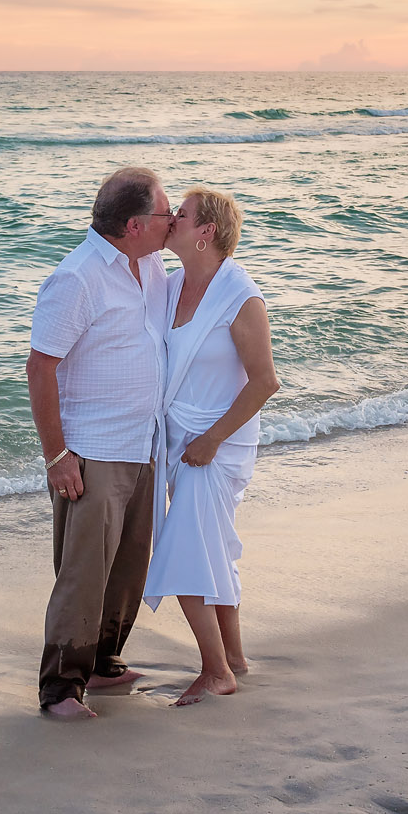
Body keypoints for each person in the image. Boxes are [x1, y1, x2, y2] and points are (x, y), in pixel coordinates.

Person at [26, 166, 177, 719]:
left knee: (130, 563)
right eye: (166, 212)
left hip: (143, 443)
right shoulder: (79, 277)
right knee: (84, 572)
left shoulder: (152, 265)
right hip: (93, 451)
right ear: (136, 224)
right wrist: (58, 456)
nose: (174, 219)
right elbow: (40, 369)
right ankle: (61, 688)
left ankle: (103, 661)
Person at [142, 185, 280, 706]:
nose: (172, 218)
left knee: (185, 551)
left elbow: (265, 381)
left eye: (183, 214)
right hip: (179, 441)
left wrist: (211, 440)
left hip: (217, 445)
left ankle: (215, 670)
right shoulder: (172, 286)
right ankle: (236, 657)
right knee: (214, 547)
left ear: (207, 232)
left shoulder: (240, 295)